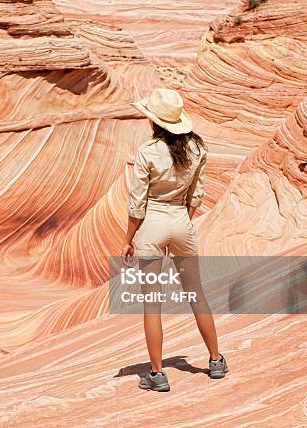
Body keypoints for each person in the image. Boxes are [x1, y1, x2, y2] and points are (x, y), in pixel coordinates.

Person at [122, 87, 227, 392]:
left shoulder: (148, 151)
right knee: (197, 294)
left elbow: (137, 202)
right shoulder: (197, 149)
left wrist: (128, 239)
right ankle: (216, 360)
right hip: (181, 220)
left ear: (153, 121)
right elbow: (197, 195)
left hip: (151, 225)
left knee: (152, 304)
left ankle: (157, 375)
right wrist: (182, 221)